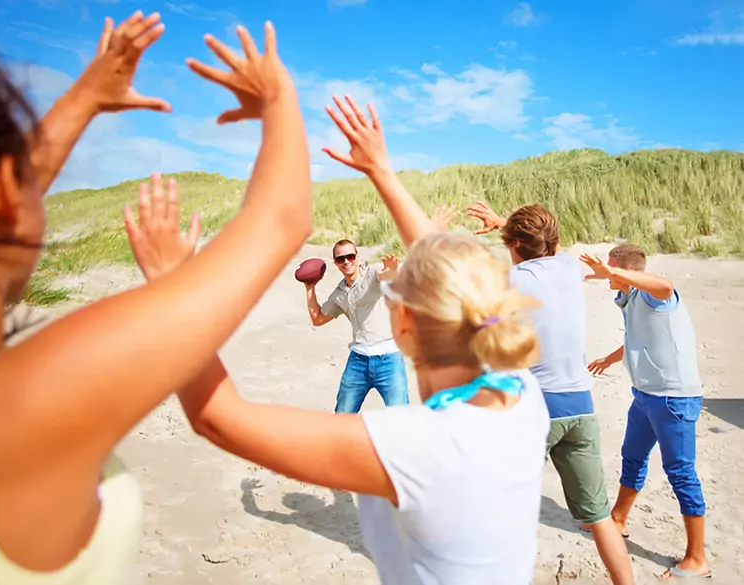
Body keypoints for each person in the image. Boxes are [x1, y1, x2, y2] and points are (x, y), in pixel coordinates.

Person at [0, 16, 311, 585]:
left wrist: (84, 97)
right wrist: (278, 97)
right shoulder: (18, 402)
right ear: (6, 190)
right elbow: (282, 218)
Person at [164, 94, 550, 585]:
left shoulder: (412, 443)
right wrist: (383, 174)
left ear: (402, 325)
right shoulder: (522, 392)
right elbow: (448, 275)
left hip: (383, 370)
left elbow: (218, 418)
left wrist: (173, 290)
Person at [466, 202, 633, 585]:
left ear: (512, 244)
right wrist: (506, 225)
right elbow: (545, 246)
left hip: (537, 412)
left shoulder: (511, 284)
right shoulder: (571, 267)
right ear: (552, 240)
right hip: (581, 409)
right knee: (599, 517)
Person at [584, 244, 711, 581]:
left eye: (611, 268)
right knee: (633, 456)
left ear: (626, 270)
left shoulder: (655, 294)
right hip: (645, 395)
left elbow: (665, 286)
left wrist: (614, 273)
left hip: (673, 398)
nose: (606, 274)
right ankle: (619, 519)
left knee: (680, 472)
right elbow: (640, 337)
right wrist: (610, 359)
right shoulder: (632, 299)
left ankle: (697, 558)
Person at [304, 241, 409, 413]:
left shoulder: (372, 273)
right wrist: (310, 289)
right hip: (358, 362)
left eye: (350, 256)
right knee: (342, 416)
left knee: (401, 417)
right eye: (341, 258)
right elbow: (318, 319)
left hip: (388, 360)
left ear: (357, 257)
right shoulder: (339, 294)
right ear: (335, 262)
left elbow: (386, 275)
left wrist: (391, 271)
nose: (346, 261)